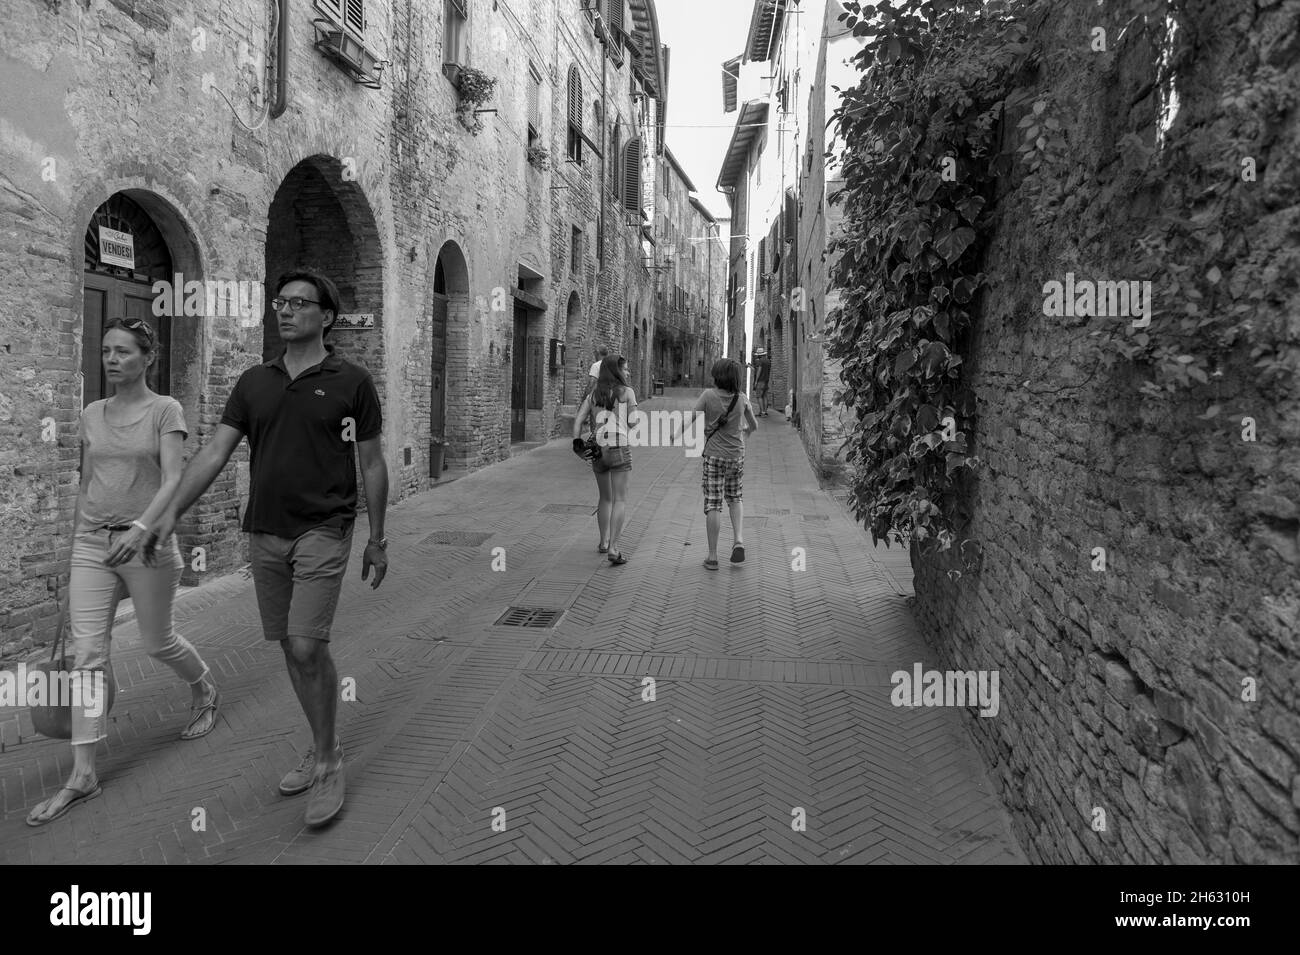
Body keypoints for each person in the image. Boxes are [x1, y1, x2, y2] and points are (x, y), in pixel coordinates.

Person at [152, 269, 390, 829]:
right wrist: (167, 515)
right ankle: (320, 741)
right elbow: (213, 452)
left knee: (308, 646)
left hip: (324, 528)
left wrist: (377, 539)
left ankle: (329, 760)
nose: (283, 311)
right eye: (279, 302)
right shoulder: (254, 381)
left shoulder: (352, 381)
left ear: (326, 318)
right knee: (289, 645)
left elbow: (372, 463)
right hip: (265, 531)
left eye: (298, 304)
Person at [27, 318, 219, 827]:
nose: (111, 359)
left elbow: (174, 478)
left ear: (146, 358)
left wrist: (140, 527)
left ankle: (203, 688)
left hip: (149, 542)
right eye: (106, 350)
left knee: (159, 643)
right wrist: (73, 550)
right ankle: (83, 772)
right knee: (89, 654)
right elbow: (88, 480)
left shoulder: (165, 410)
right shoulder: (92, 412)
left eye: (123, 352)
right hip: (93, 543)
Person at [693, 358, 758, 570]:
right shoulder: (742, 398)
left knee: (713, 503)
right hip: (736, 456)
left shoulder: (708, 395)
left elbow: (692, 416)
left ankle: (712, 556)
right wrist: (744, 434)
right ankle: (738, 539)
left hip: (714, 456)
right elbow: (753, 425)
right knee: (735, 497)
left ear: (717, 376)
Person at [573, 355, 637, 565]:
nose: (627, 372)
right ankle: (614, 548)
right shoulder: (627, 392)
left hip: (598, 450)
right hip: (619, 447)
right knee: (620, 499)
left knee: (605, 498)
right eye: (625, 369)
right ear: (617, 371)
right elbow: (633, 423)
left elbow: (580, 419)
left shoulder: (594, 395)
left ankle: (603, 542)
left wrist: (577, 444)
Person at [753, 347, 772, 416]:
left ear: (759, 355)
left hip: (760, 381)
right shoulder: (768, 361)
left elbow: (759, 371)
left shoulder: (760, 361)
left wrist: (756, 381)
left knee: (759, 396)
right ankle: (765, 411)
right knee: (765, 396)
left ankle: (762, 412)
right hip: (766, 380)